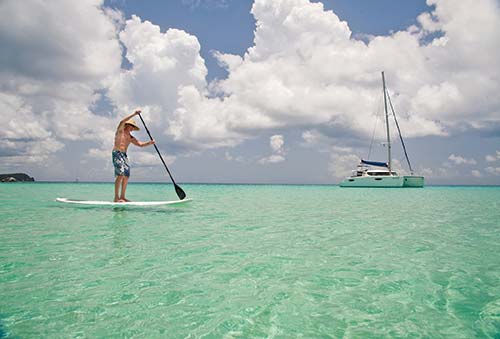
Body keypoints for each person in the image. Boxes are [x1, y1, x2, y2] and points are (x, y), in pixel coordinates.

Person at [112, 110, 155, 202]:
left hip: (124, 155)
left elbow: (140, 144)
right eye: (132, 126)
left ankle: (122, 196)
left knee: (126, 175)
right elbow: (121, 122)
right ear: (128, 125)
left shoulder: (131, 137)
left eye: (133, 127)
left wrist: (150, 143)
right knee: (120, 174)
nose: (132, 129)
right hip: (117, 153)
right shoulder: (120, 131)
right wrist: (134, 114)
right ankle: (116, 197)